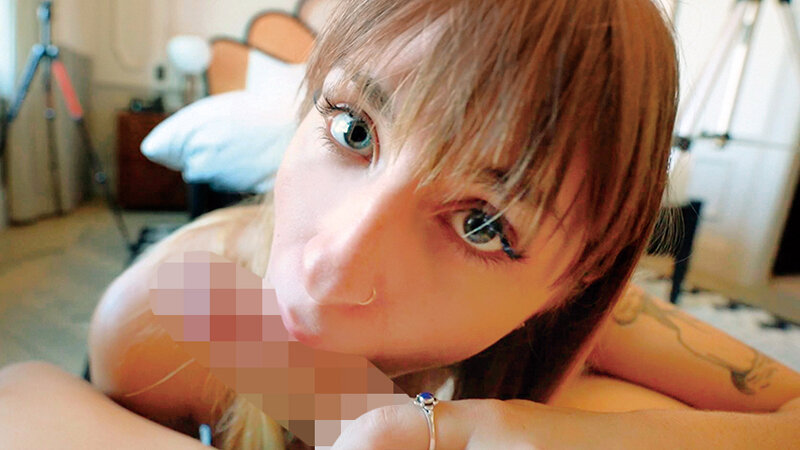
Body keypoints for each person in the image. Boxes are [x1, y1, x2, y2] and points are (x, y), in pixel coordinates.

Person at [1, 0, 799, 448]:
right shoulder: (182, 316)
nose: (328, 268)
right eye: (354, 130)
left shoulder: (596, 320)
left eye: (482, 223)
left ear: (574, 279)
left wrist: (515, 432)